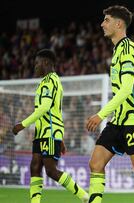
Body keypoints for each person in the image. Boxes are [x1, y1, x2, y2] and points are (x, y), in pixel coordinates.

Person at [86, 5, 134, 203]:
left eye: (106, 20)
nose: (102, 24)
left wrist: (100, 114)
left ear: (118, 24)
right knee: (96, 163)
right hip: (118, 119)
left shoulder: (128, 49)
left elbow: (127, 89)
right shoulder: (118, 51)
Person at [12, 49, 89, 203]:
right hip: (43, 133)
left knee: (51, 171)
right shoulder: (45, 81)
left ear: (46, 62)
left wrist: (23, 125)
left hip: (50, 131)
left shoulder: (51, 81)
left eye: (37, 63)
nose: (35, 67)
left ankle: (84, 196)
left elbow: (44, 108)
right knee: (34, 166)